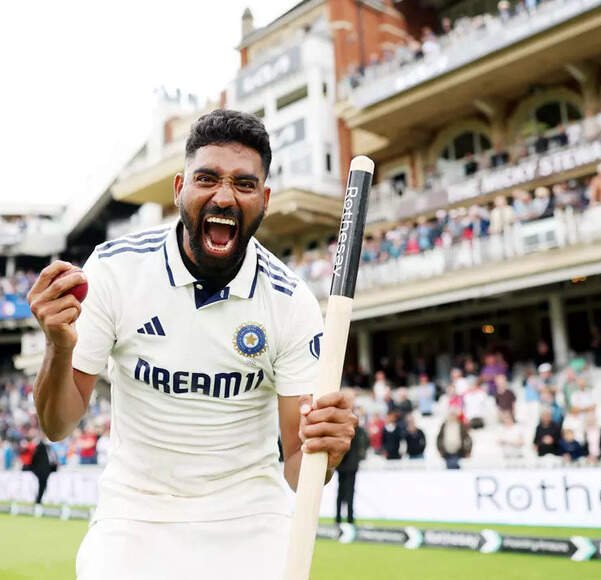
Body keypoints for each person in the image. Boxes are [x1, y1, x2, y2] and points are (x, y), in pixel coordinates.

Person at [27, 110, 356, 579]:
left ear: (264, 200)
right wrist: (58, 348)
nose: (224, 196)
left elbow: (298, 468)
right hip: (136, 511)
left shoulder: (291, 301)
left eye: (244, 184)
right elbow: (57, 424)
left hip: (250, 517)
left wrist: (326, 451)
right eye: (207, 178)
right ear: (179, 188)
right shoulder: (115, 270)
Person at [335, 414, 369, 525]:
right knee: (349, 493)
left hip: (343, 465)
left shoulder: (343, 430)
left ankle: (339, 517)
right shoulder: (359, 431)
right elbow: (365, 444)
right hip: (351, 466)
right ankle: (349, 518)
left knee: (341, 493)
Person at [29, 436, 58, 504]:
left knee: (42, 485)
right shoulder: (41, 447)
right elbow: (35, 459)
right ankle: (38, 500)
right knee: (42, 485)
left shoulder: (46, 448)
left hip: (45, 470)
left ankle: (39, 499)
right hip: (42, 471)